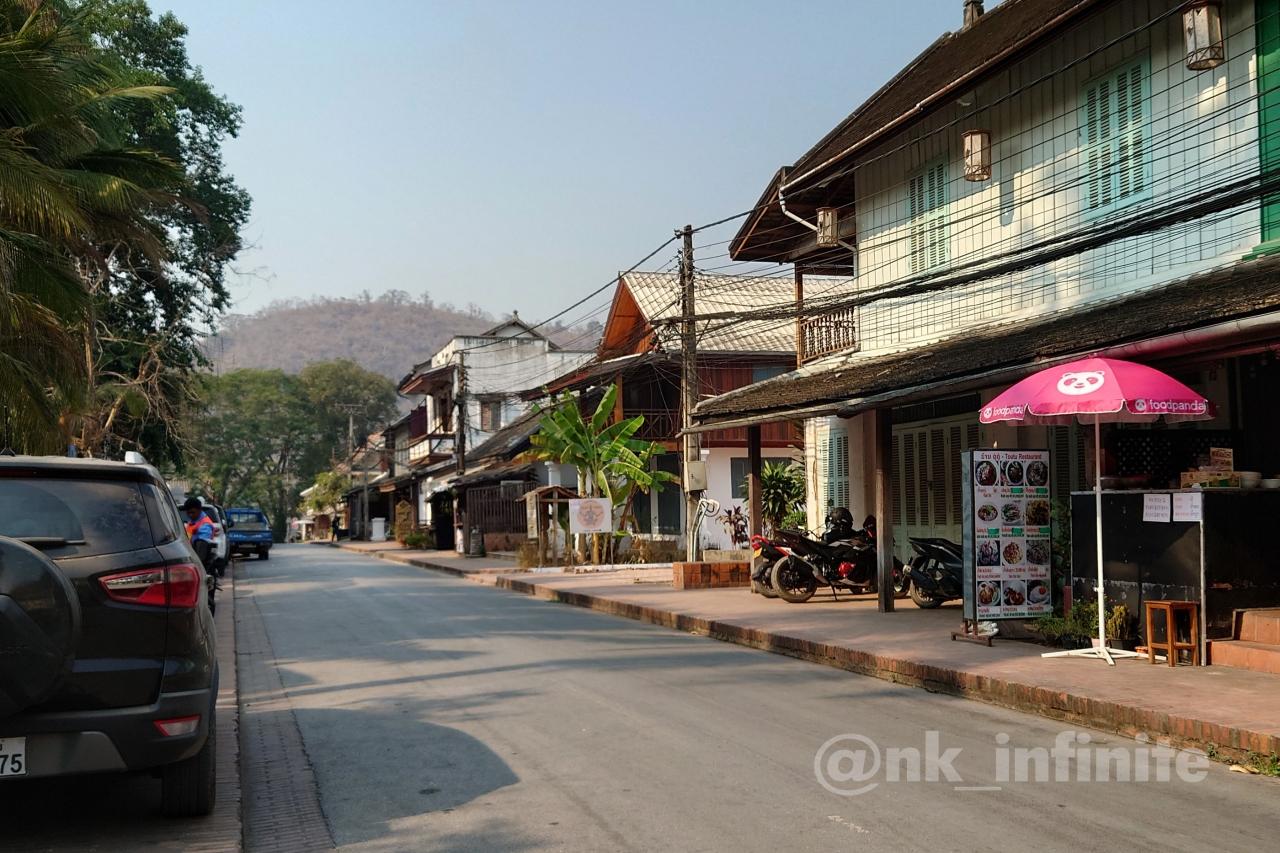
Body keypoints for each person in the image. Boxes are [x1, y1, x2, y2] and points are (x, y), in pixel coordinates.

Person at [182, 497, 216, 573]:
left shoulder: (205, 525)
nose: (190, 515)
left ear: (199, 510)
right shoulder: (192, 521)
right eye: (188, 513)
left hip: (200, 564)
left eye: (192, 512)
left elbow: (202, 548)